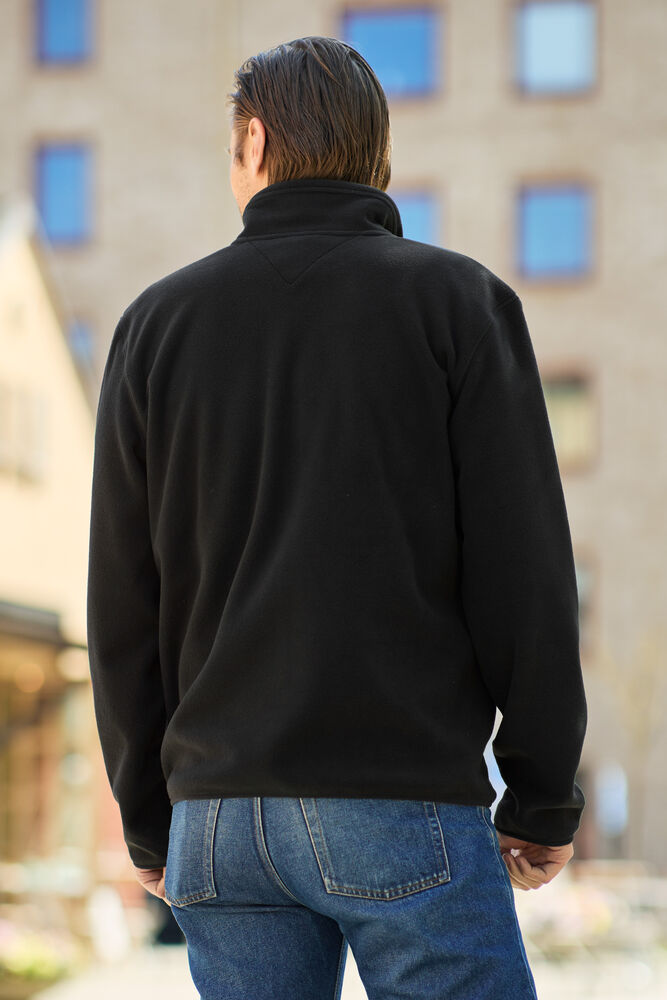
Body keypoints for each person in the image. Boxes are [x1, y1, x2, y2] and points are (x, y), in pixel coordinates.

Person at [87, 35, 588, 1000]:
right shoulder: (457, 303)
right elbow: (522, 568)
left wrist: (149, 817)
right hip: (399, 797)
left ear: (254, 142)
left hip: (219, 821)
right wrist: (541, 792)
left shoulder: (156, 325)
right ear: (378, 156)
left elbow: (122, 598)